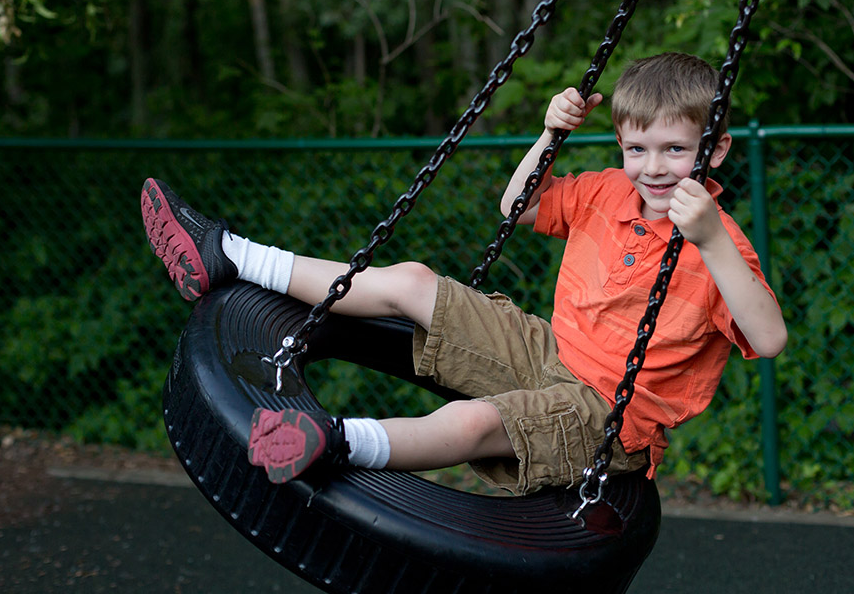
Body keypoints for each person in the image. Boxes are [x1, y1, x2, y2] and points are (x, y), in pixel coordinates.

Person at [141, 52, 786, 495]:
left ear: (715, 150)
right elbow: (518, 205)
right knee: (412, 280)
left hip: (610, 416)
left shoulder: (720, 245)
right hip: (548, 350)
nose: (653, 167)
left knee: (478, 421)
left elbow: (769, 337)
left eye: (676, 150)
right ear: (621, 144)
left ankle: (332, 441)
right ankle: (233, 256)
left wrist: (710, 242)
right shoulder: (606, 191)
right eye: (637, 148)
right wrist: (550, 136)